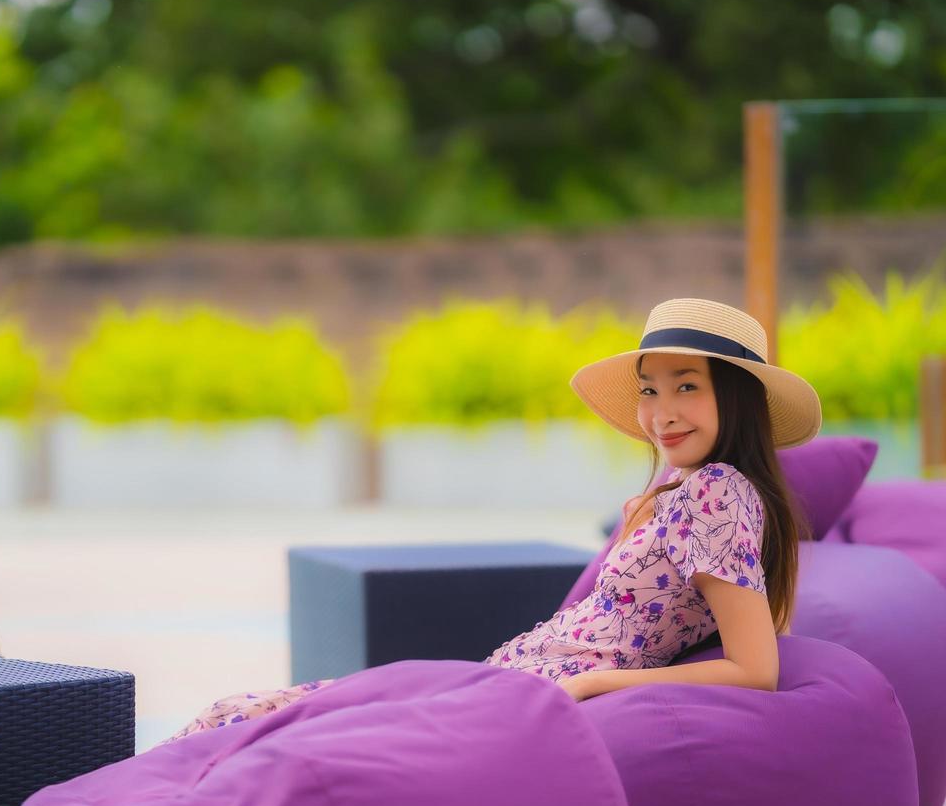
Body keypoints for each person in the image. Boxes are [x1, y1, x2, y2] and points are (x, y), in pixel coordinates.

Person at [160, 297, 822, 744]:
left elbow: (754, 667)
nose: (660, 411)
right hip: (509, 675)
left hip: (530, 696)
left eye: (687, 386)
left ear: (733, 400)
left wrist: (594, 683)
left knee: (260, 719)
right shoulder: (685, 488)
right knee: (281, 713)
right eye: (650, 389)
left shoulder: (717, 493)